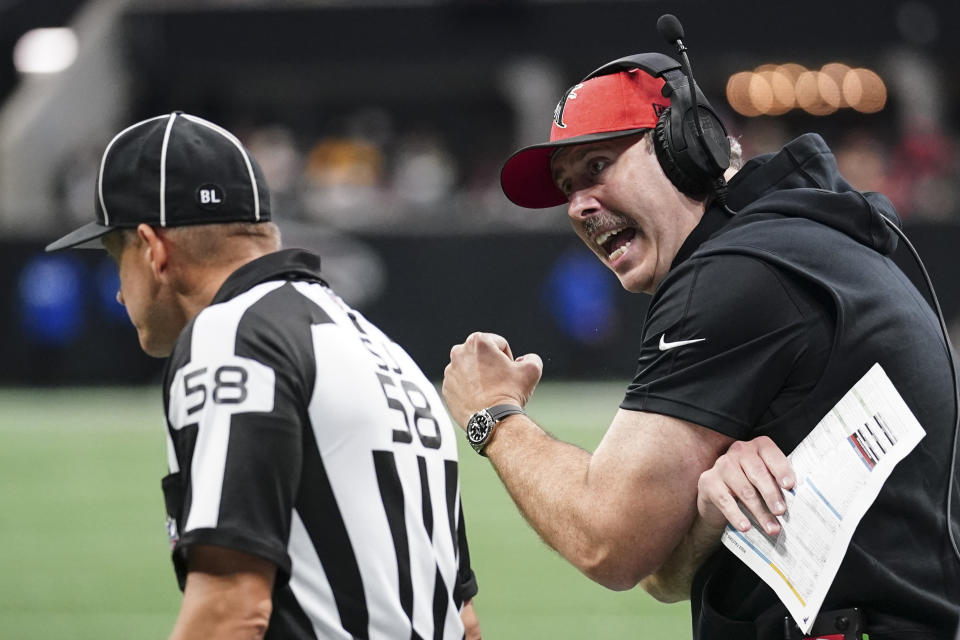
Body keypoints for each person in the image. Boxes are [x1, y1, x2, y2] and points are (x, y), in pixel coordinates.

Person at [441, 49, 960, 639]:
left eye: (597, 166)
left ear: (688, 148)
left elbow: (607, 541)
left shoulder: (739, 271)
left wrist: (493, 416)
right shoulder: (795, 241)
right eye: (567, 186)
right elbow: (659, 574)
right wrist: (709, 519)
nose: (578, 204)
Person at [47, 112, 480, 640]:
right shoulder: (385, 352)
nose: (118, 290)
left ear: (153, 249)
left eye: (117, 258)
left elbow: (231, 609)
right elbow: (464, 621)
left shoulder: (232, 336)